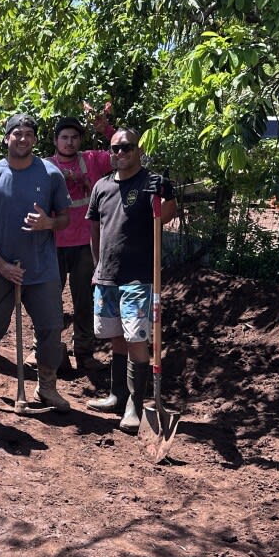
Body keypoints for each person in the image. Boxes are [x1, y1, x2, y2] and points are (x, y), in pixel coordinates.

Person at [0, 114, 72, 411]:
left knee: (51, 329)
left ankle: (46, 387)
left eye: (28, 134)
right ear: (6, 138)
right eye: (16, 133)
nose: (22, 139)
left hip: (42, 269)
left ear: (35, 139)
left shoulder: (50, 175)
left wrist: (48, 222)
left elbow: (64, 218)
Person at [86, 128, 177, 432]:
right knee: (115, 337)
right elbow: (95, 228)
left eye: (127, 148)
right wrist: (98, 267)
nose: (120, 153)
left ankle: (134, 407)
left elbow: (167, 214)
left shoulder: (151, 183)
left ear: (138, 150)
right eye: (115, 149)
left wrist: (166, 196)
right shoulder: (101, 186)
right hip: (108, 276)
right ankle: (116, 395)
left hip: (138, 275)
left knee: (137, 338)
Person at [49, 109, 115, 374]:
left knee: (84, 301)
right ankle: (46, 348)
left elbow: (130, 154)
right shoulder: (44, 166)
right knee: (49, 299)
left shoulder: (94, 160)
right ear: (56, 141)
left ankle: (84, 352)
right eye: (64, 137)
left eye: (74, 137)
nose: (69, 142)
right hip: (52, 243)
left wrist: (106, 129)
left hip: (87, 244)